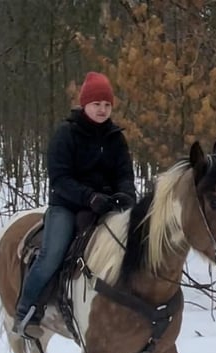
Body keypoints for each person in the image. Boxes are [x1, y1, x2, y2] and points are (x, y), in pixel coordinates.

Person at [13, 71, 137, 337]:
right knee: (52, 254)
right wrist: (88, 197)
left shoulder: (116, 138)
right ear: (85, 105)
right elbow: (60, 178)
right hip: (67, 205)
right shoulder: (66, 134)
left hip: (107, 206)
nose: (102, 109)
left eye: (107, 104)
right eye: (96, 104)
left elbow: (125, 173)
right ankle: (26, 311)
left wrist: (126, 194)